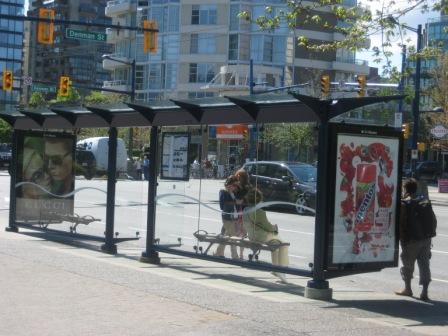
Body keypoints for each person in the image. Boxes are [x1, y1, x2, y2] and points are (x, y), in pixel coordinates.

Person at [395, 178, 434, 301]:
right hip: (426, 239)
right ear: (416, 189)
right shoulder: (424, 201)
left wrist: (401, 239)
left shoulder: (405, 204)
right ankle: (424, 292)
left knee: (407, 264)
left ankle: (408, 289)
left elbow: (401, 224)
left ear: (406, 190)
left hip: (411, 240)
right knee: (424, 265)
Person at [243, 188, 289, 283]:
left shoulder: (245, 210)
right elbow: (267, 226)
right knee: (283, 244)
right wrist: (274, 228)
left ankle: (276, 268)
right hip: (261, 236)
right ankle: (281, 270)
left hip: (252, 235)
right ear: (259, 200)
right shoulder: (260, 212)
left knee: (276, 242)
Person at [214, 176, 240, 259]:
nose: (235, 187)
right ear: (229, 184)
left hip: (234, 217)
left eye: (236, 186)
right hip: (227, 217)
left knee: (227, 236)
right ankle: (235, 256)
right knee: (233, 237)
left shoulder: (234, 193)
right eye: (234, 185)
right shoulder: (223, 192)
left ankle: (218, 252)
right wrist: (234, 201)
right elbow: (222, 205)